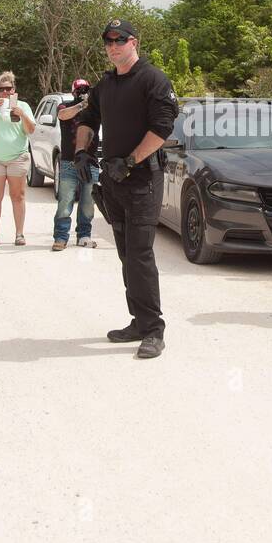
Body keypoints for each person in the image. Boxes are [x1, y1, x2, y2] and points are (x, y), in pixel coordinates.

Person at [74, 19, 178, 358]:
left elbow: (162, 129)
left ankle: (153, 330)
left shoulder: (153, 79)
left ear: (134, 42)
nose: (113, 45)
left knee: (140, 254)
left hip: (142, 179)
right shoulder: (105, 85)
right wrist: (80, 151)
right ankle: (138, 320)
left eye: (120, 40)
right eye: (108, 40)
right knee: (125, 254)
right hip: (113, 181)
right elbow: (88, 119)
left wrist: (130, 162)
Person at [0, 72, 36, 247]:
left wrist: (22, 114)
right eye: (1, 89)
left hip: (17, 156)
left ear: (14, 89)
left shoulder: (23, 105)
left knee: (17, 196)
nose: (5, 92)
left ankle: (19, 234)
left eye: (8, 89)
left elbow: (31, 130)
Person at [53, 77, 99, 250]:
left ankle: (84, 235)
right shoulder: (65, 106)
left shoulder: (95, 110)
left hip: (91, 161)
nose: (83, 93)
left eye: (86, 89)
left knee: (88, 202)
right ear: (73, 91)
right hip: (69, 162)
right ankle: (61, 237)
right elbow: (62, 115)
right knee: (65, 201)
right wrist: (81, 105)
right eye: (79, 90)